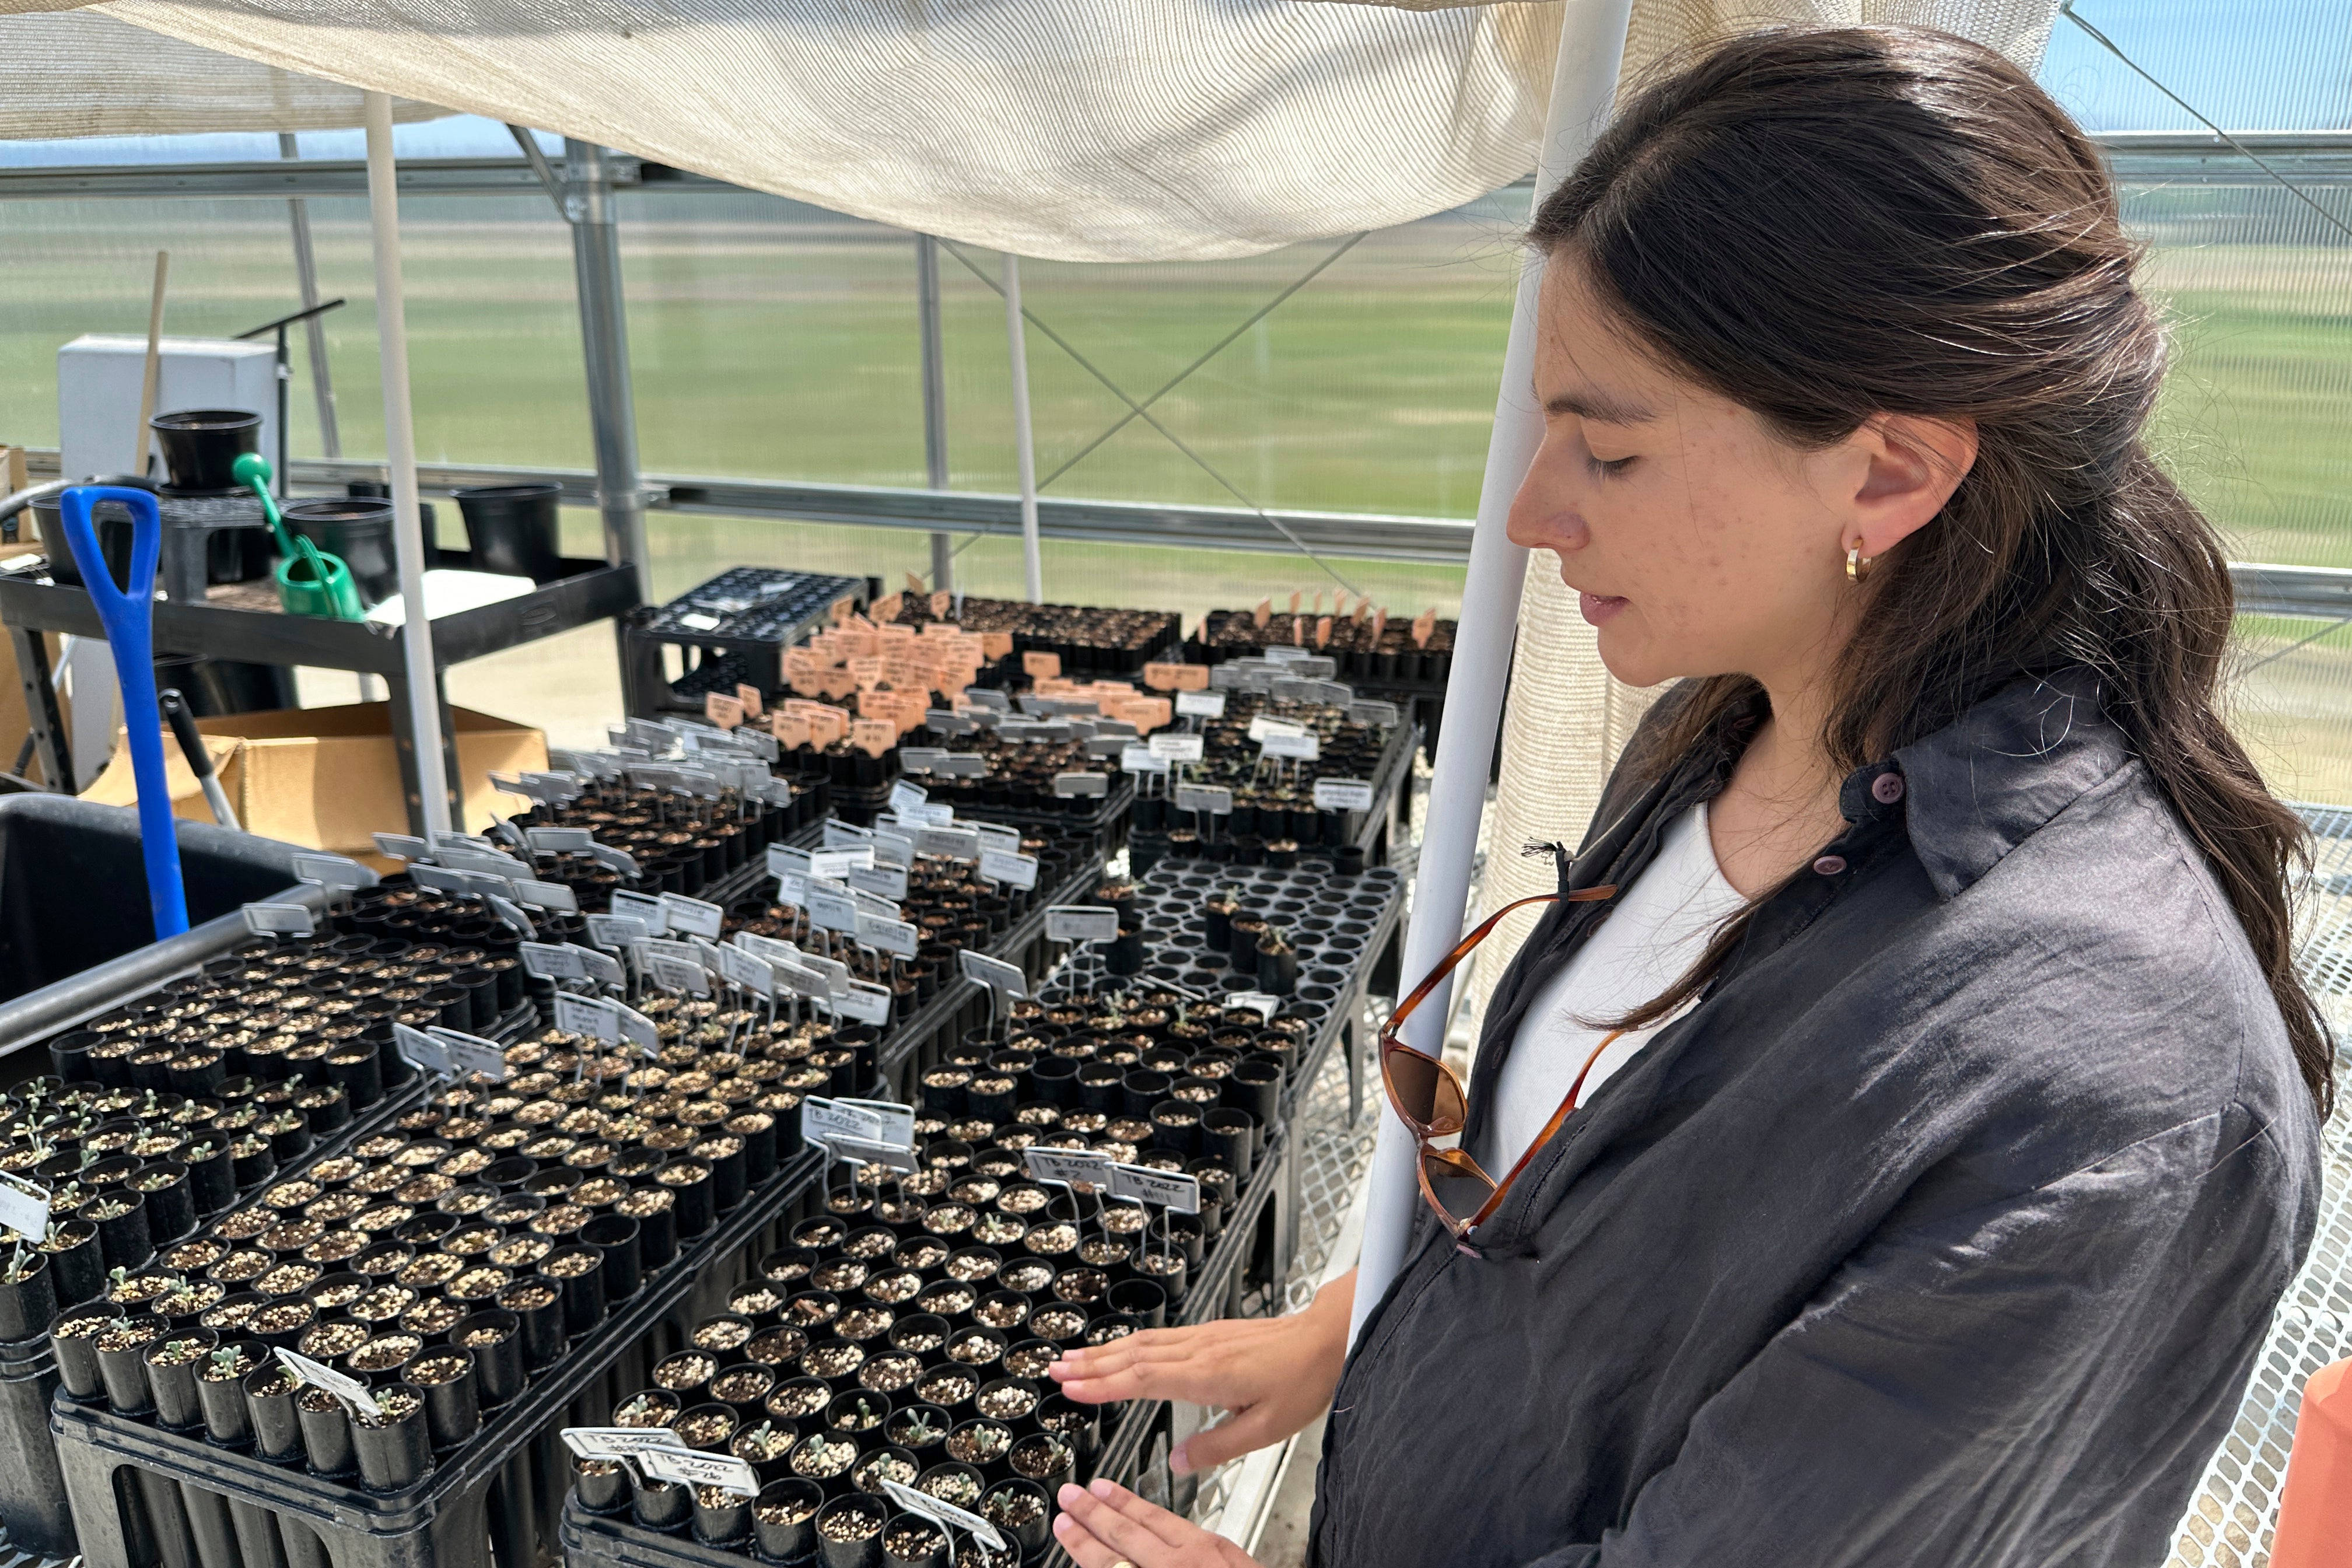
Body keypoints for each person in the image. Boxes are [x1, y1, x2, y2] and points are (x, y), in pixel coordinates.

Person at [1042, 24, 2329, 1568]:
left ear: (1889, 476)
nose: (1530, 514)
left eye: (1608, 452)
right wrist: (1359, 1328)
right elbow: (1604, 1220)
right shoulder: (1729, 735)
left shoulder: (2107, 1087)